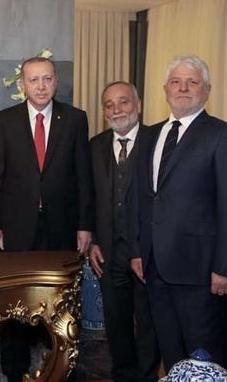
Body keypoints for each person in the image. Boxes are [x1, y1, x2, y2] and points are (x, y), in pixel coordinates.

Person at [0, 56, 93, 381]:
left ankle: (61, 370)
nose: (41, 86)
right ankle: (14, 372)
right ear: (22, 85)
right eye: (34, 80)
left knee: (61, 306)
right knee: (14, 307)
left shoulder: (75, 119)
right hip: (17, 229)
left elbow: (83, 176)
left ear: (56, 81)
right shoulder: (5, 120)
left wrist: (85, 224)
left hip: (61, 228)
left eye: (47, 78)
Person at [130, 55, 227, 371]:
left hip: (200, 271)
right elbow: (142, 198)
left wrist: (223, 267)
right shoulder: (151, 135)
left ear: (207, 90)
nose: (183, 88)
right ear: (165, 89)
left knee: (204, 358)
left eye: (192, 82)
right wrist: (138, 250)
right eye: (176, 82)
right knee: (172, 355)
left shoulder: (220, 134)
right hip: (154, 268)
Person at [89, 81, 159, 382]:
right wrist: (93, 240)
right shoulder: (95, 145)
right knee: (116, 322)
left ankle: (146, 376)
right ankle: (123, 374)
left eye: (123, 102)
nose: (116, 110)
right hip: (109, 250)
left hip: (147, 249)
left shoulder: (157, 140)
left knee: (148, 321)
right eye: (109, 104)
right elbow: (89, 197)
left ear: (138, 105)